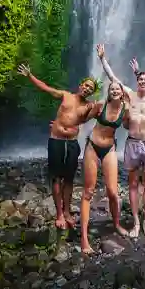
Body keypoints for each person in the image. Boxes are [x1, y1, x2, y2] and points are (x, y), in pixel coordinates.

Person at [17, 63, 98, 230]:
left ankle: (67, 212)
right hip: (56, 141)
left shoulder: (89, 106)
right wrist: (30, 76)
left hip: (72, 143)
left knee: (69, 179)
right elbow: (46, 88)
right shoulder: (65, 95)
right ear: (80, 85)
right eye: (86, 85)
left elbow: (89, 118)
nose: (88, 89)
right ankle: (59, 213)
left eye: (91, 88)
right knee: (55, 177)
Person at [97, 44, 145, 238]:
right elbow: (113, 79)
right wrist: (102, 60)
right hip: (133, 143)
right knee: (133, 184)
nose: (143, 82)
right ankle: (135, 222)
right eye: (140, 79)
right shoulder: (129, 95)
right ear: (136, 81)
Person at [76, 79, 130, 254]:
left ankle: (116, 224)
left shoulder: (126, 109)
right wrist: (63, 125)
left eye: (117, 89)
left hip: (110, 148)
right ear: (109, 92)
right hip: (92, 146)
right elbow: (82, 119)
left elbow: (130, 125)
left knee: (113, 193)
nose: (114, 91)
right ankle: (84, 239)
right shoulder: (100, 106)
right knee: (88, 192)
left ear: (122, 93)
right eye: (112, 89)